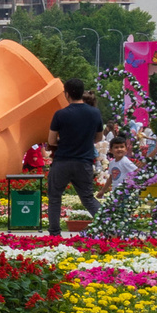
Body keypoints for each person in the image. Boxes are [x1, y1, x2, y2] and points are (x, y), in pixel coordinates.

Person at [44, 79, 101, 239]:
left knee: (55, 197)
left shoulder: (60, 114)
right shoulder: (94, 113)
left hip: (62, 161)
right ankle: (107, 224)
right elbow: (98, 138)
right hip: (84, 162)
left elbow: (51, 141)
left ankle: (55, 234)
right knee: (88, 198)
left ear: (67, 93)